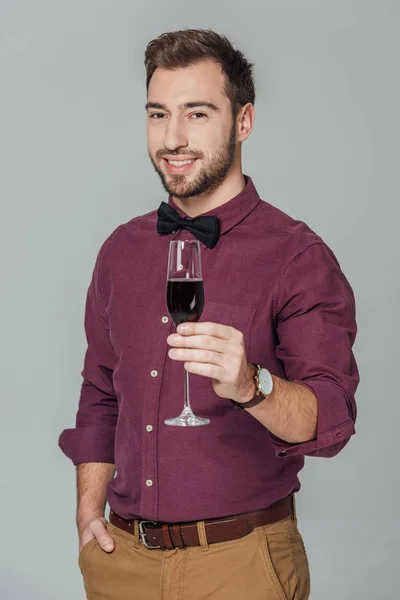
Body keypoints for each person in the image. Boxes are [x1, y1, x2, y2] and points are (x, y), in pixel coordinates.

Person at [59, 28, 359, 600]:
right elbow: (100, 391)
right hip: (120, 562)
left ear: (243, 122)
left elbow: (331, 421)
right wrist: (86, 512)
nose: (173, 137)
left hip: (240, 565)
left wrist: (253, 386)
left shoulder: (297, 256)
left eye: (197, 113)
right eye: (158, 113)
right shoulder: (120, 251)